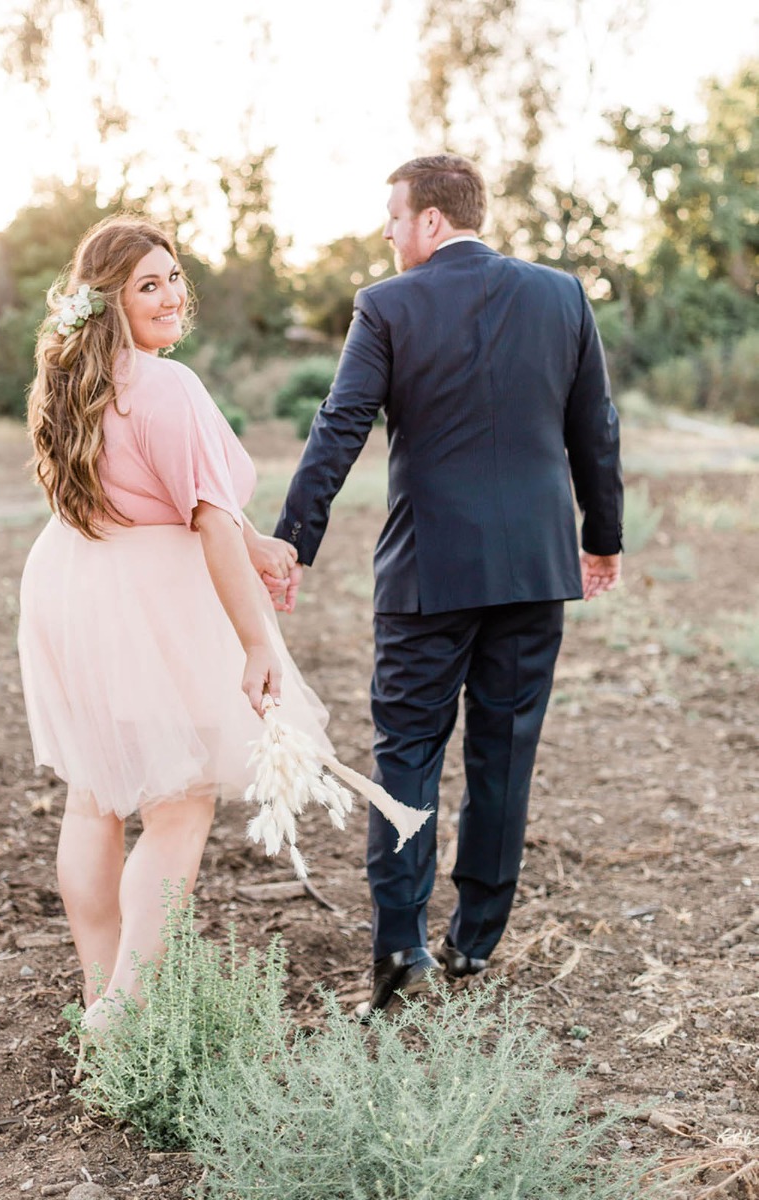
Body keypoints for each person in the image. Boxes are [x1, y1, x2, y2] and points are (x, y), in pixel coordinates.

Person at [274, 155, 623, 1016]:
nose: (388, 234)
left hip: (430, 575)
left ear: (430, 220)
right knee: (504, 753)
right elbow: (597, 430)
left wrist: (294, 542)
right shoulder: (563, 295)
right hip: (536, 569)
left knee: (407, 756)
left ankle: (401, 952)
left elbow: (341, 425)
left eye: (393, 217)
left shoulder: (387, 306)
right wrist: (601, 539)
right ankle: (474, 944)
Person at [17, 214, 330, 1032]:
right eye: (146, 284)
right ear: (110, 301)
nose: (168, 295)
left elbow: (156, 496)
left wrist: (253, 540)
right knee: (179, 801)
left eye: (173, 278)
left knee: (95, 795)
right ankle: (127, 1009)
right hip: (149, 601)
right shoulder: (168, 385)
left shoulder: (77, 380)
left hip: (73, 582)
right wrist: (258, 640)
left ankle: (102, 996)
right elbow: (205, 521)